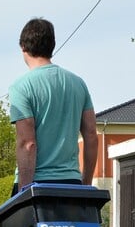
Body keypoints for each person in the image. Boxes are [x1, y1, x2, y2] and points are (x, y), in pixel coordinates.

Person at [8, 17, 98, 194]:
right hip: (71, 183)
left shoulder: (21, 87)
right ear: (52, 46)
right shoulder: (78, 84)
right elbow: (91, 135)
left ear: (23, 47)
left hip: (37, 184)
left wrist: (24, 194)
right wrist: (85, 185)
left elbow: (28, 144)